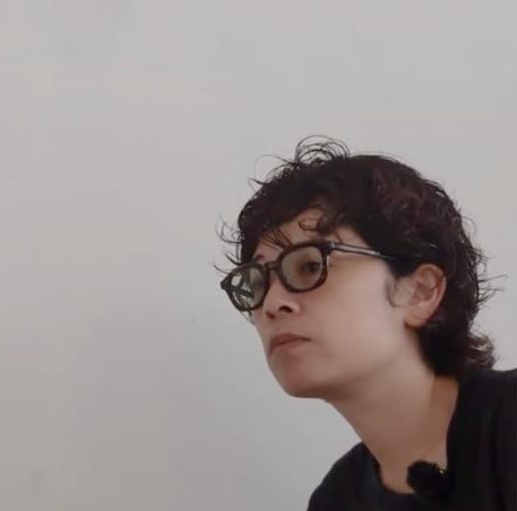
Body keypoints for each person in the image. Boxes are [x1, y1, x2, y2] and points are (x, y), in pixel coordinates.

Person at [219, 138, 515, 509]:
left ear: (420, 292)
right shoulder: (337, 499)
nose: (273, 303)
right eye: (257, 283)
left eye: (309, 266)